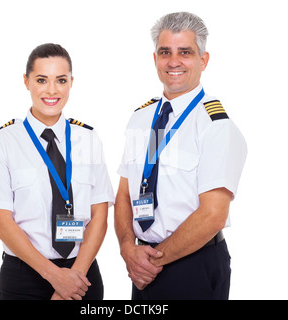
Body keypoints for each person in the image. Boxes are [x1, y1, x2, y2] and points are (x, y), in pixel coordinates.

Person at [114, 12, 247, 300]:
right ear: (155, 60)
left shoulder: (216, 126)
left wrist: (152, 262)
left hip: (192, 264)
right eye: (165, 53)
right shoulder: (141, 119)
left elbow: (212, 214)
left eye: (184, 52)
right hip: (141, 265)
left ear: (203, 60)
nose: (173, 62)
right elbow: (124, 193)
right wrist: (128, 249)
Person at [0, 43, 114, 300]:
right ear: (26, 82)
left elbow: (100, 215)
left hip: (82, 274)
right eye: (42, 80)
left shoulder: (88, 138)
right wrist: (54, 276)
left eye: (60, 80)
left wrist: (73, 278)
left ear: (71, 82)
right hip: (25, 278)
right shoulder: (4, 141)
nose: (52, 90)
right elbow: (2, 223)